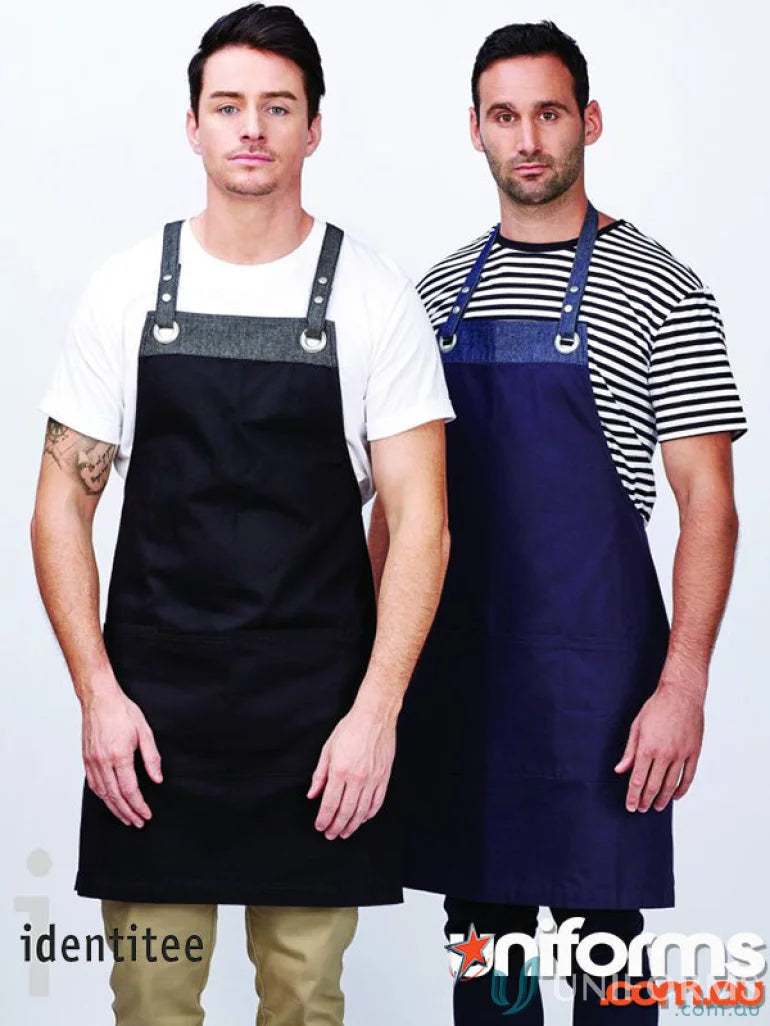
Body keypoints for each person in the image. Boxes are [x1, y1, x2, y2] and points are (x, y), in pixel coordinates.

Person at [30, 5, 453, 1025]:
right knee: (151, 998)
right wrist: (97, 696)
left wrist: (374, 715)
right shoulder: (127, 289)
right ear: (193, 126)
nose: (252, 128)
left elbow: (422, 523)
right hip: (150, 727)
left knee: (304, 999)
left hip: (315, 729)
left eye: (277, 106)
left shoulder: (371, 296)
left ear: (314, 126)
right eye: (228, 106)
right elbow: (57, 510)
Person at [371, 20, 746, 1025]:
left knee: (605, 973)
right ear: (474, 130)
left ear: (586, 121)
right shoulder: (434, 298)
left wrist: (682, 685)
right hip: (465, 692)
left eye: (546, 113)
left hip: (601, 703)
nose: (526, 137)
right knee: (484, 971)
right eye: (504, 116)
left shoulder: (662, 287)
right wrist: (376, 683)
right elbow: (396, 513)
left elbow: (706, 505)